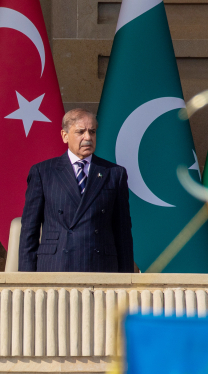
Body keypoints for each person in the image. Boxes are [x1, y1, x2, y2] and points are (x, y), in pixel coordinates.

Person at [18, 109, 134, 272]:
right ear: (64, 136)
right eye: (80, 132)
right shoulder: (43, 172)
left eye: (92, 132)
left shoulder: (114, 173)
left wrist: (126, 278)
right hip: (56, 266)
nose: (88, 137)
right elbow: (29, 229)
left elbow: (122, 231)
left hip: (101, 267)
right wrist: (26, 279)